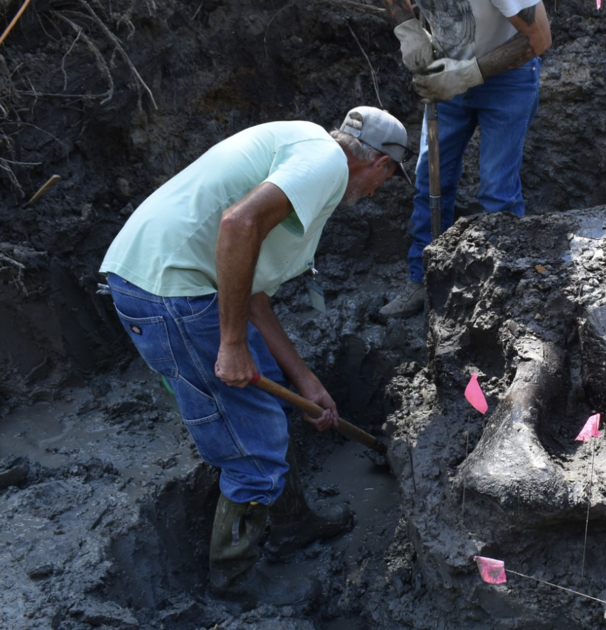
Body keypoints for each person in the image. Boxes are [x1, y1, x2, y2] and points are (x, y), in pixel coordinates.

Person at [99, 106, 408, 606]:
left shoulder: (304, 148)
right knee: (252, 447)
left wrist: (304, 379)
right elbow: (238, 224)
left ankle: (292, 525)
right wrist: (232, 343)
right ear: (380, 165)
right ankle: (233, 583)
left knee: (264, 403)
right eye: (384, 181)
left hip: (175, 282)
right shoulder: (326, 163)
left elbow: (252, 290)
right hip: (171, 294)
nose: (375, 192)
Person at [375, 0, 551, 317]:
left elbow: (539, 38)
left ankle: (502, 291)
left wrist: (467, 75)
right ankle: (422, 278)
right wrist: (408, 29)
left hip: (508, 78)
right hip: (446, 67)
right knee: (431, 180)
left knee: (498, 190)